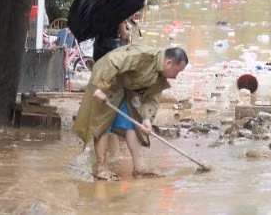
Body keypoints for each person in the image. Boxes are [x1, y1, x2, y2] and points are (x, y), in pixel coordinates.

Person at [73, 44, 189, 181]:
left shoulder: (160, 76)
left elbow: (151, 98)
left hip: (124, 88)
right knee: (102, 123)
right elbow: (111, 60)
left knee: (133, 124)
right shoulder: (143, 55)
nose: (176, 76)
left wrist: (146, 119)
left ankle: (139, 168)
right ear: (169, 63)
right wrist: (100, 87)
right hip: (107, 80)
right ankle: (101, 168)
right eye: (177, 71)